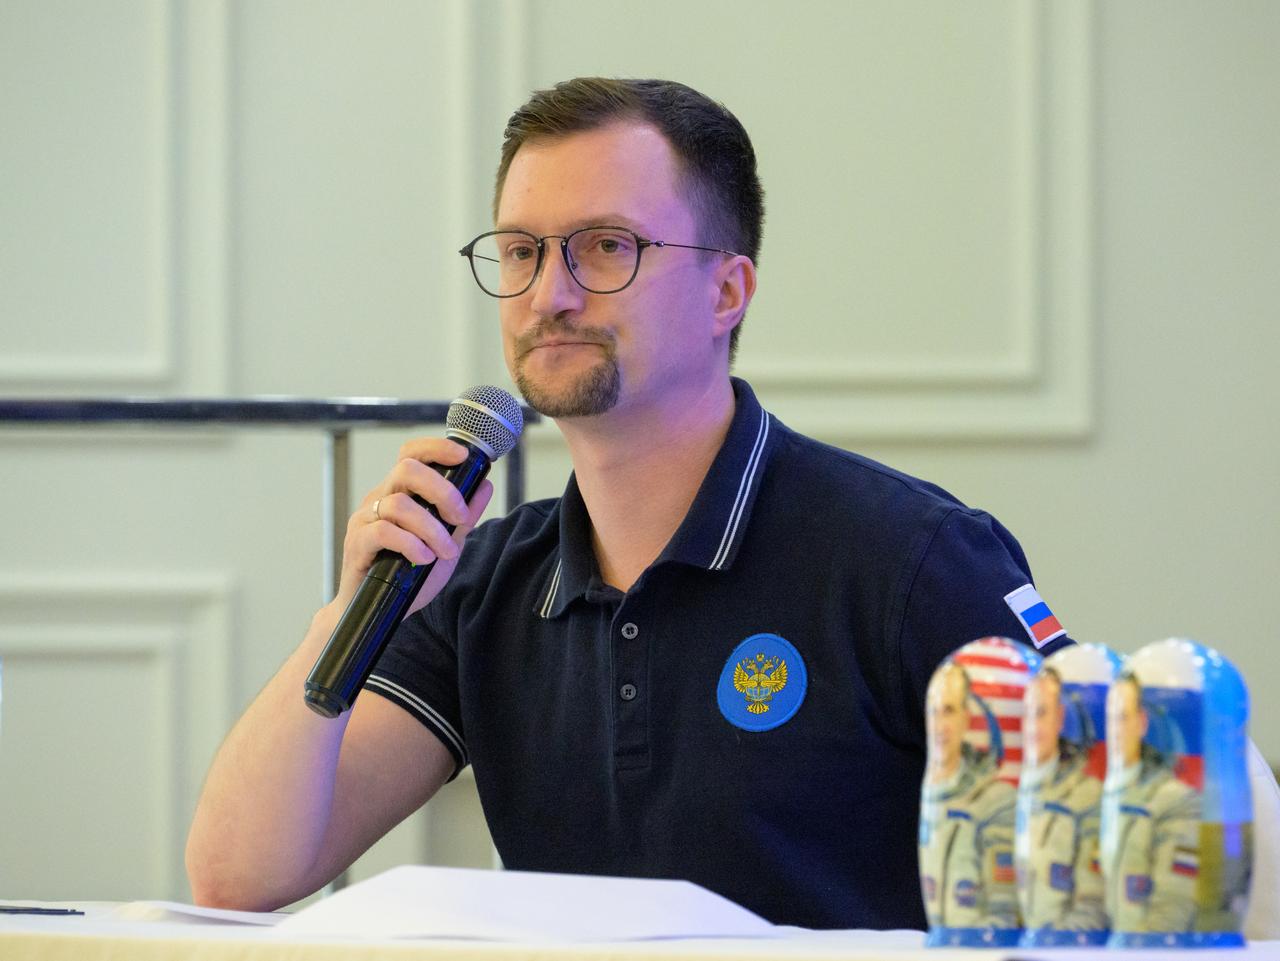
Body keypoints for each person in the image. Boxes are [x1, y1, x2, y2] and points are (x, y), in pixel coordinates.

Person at [185, 77, 1071, 929]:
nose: (549, 295)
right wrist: (346, 613)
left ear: (728, 291)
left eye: (606, 246)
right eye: (523, 250)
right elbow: (238, 875)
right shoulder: (481, 584)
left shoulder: (911, 558)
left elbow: (1089, 868)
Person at [918, 661, 1019, 931]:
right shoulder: (934, 792)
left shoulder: (996, 798)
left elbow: (1001, 911)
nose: (940, 725)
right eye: (935, 711)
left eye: (949, 711)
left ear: (967, 716)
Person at [1100, 672, 1200, 933]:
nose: (1115, 731)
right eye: (1109, 720)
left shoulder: (1176, 800)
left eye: (1122, 718)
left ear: (1142, 723)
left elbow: (1173, 910)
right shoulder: (1099, 795)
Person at [1016, 667, 1106, 934]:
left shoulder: (1086, 795)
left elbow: (1093, 905)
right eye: (1028, 715)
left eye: (1041, 714)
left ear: (1060, 718)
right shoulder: (1011, 792)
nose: (1032, 726)